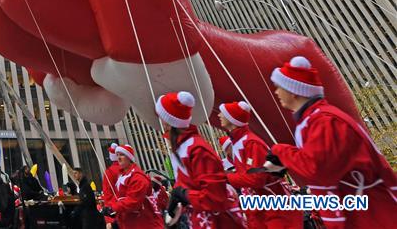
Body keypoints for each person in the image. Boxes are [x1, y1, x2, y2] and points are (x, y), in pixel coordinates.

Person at [266, 56, 397, 228]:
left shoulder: (324, 120)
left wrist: (280, 152)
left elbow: (317, 168)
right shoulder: (315, 120)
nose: (276, 92)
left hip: (373, 215)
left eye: (279, 87)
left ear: (294, 91)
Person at [156, 91, 244, 229]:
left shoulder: (197, 149)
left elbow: (214, 197)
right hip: (199, 220)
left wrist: (183, 194)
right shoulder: (182, 148)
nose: (160, 120)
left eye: (161, 115)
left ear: (169, 121)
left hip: (216, 222)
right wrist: (175, 211)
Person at [217, 100, 301, 229]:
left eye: (222, 113)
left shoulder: (251, 143)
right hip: (259, 208)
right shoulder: (239, 142)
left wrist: (226, 177)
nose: (219, 115)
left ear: (232, 119)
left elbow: (256, 178)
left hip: (274, 207)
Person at [102, 146, 161, 229]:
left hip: (144, 224)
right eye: (117, 155)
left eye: (122, 155)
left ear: (129, 157)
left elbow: (133, 201)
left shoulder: (137, 177)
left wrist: (113, 208)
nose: (118, 158)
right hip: (130, 223)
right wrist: (114, 213)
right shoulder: (123, 176)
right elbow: (120, 198)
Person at [102, 143, 121, 211]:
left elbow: (107, 191)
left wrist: (109, 207)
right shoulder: (128, 168)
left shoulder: (109, 171)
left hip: (116, 205)